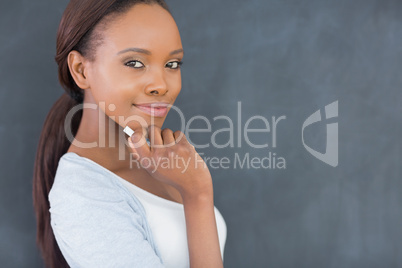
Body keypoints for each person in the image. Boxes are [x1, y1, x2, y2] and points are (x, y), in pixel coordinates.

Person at [32, 0, 227, 267]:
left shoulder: (165, 166)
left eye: (172, 64)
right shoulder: (82, 194)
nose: (161, 85)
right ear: (80, 70)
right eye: (134, 62)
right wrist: (198, 196)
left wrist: (196, 193)